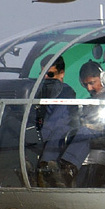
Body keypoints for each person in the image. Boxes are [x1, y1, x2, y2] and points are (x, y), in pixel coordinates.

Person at [34, 56, 79, 187]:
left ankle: (46, 167)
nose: (46, 78)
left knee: (61, 129)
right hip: (39, 135)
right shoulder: (38, 92)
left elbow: (60, 119)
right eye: (42, 74)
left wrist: (39, 135)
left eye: (50, 74)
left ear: (61, 74)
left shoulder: (65, 92)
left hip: (54, 136)